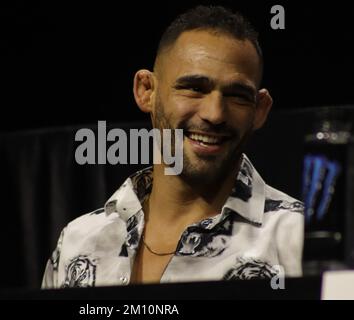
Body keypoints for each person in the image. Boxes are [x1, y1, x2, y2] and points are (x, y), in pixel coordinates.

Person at [42, 5, 304, 288]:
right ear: (147, 91)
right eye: (194, 88)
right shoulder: (77, 242)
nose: (215, 114)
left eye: (237, 95)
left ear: (260, 109)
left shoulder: (297, 239)